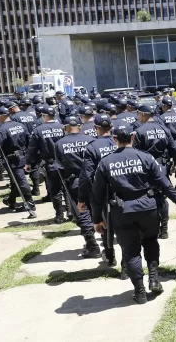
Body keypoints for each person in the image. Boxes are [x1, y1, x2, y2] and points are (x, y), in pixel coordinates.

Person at [90, 125, 176, 304]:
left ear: (115, 140)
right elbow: (164, 182)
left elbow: (97, 195)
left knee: (131, 251)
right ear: (133, 137)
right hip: (148, 208)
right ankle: (154, 278)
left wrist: (96, 219)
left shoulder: (105, 162)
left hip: (123, 212)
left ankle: (140, 292)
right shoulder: (146, 157)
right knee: (150, 242)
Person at [77, 114, 125, 276]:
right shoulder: (119, 140)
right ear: (111, 127)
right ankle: (126, 263)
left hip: (103, 194)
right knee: (125, 228)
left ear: (95, 128)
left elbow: (86, 176)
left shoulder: (92, 147)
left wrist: (82, 198)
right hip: (123, 190)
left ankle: (110, 256)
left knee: (104, 226)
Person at [55, 115, 99, 258]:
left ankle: (92, 244)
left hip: (75, 183)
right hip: (93, 180)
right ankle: (103, 243)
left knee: (82, 212)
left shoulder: (60, 144)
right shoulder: (91, 140)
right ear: (80, 126)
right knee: (96, 210)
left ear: (66, 128)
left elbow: (59, 167)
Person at [133, 104, 176, 239]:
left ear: (142, 115)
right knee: (163, 198)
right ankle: (164, 229)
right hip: (162, 167)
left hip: (146, 168)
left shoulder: (140, 131)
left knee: (148, 197)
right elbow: (173, 148)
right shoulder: (164, 129)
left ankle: (151, 228)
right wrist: (174, 163)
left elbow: (136, 152)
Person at [0, 107, 37, 218]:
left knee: (22, 182)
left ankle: (30, 206)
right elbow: (29, 139)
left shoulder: (1, 129)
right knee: (16, 181)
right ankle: (11, 200)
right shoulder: (20, 125)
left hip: (13, 159)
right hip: (24, 156)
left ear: (1, 116)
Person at [24, 105, 64, 219]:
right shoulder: (62, 127)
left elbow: (32, 149)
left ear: (44, 116)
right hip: (64, 162)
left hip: (50, 163)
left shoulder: (38, 130)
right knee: (67, 188)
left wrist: (29, 163)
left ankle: (59, 216)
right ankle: (71, 213)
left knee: (55, 190)